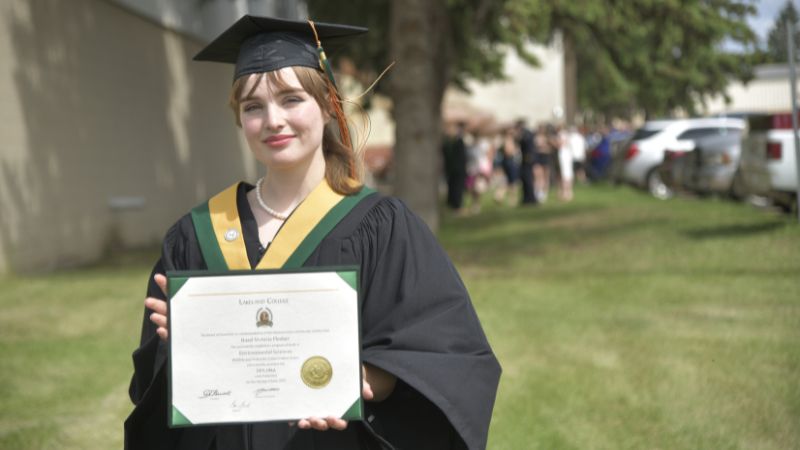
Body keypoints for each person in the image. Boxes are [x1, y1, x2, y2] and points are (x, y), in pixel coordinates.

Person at [124, 15, 501, 450]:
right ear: (238, 119)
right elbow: (153, 386)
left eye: (291, 99)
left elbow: (443, 353)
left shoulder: (382, 227)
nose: (273, 120)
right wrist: (185, 345)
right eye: (253, 107)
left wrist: (367, 379)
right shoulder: (197, 234)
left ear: (327, 105)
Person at [442, 122, 468, 213]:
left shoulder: (451, 142)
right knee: (456, 187)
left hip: (454, 170)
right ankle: (457, 207)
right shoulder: (455, 142)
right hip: (456, 170)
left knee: (455, 187)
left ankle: (455, 205)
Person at [515, 119, 538, 205]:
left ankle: (530, 198)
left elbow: (522, 142)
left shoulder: (526, 134)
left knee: (527, 179)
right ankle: (527, 197)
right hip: (526, 159)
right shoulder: (527, 133)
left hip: (527, 159)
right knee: (525, 179)